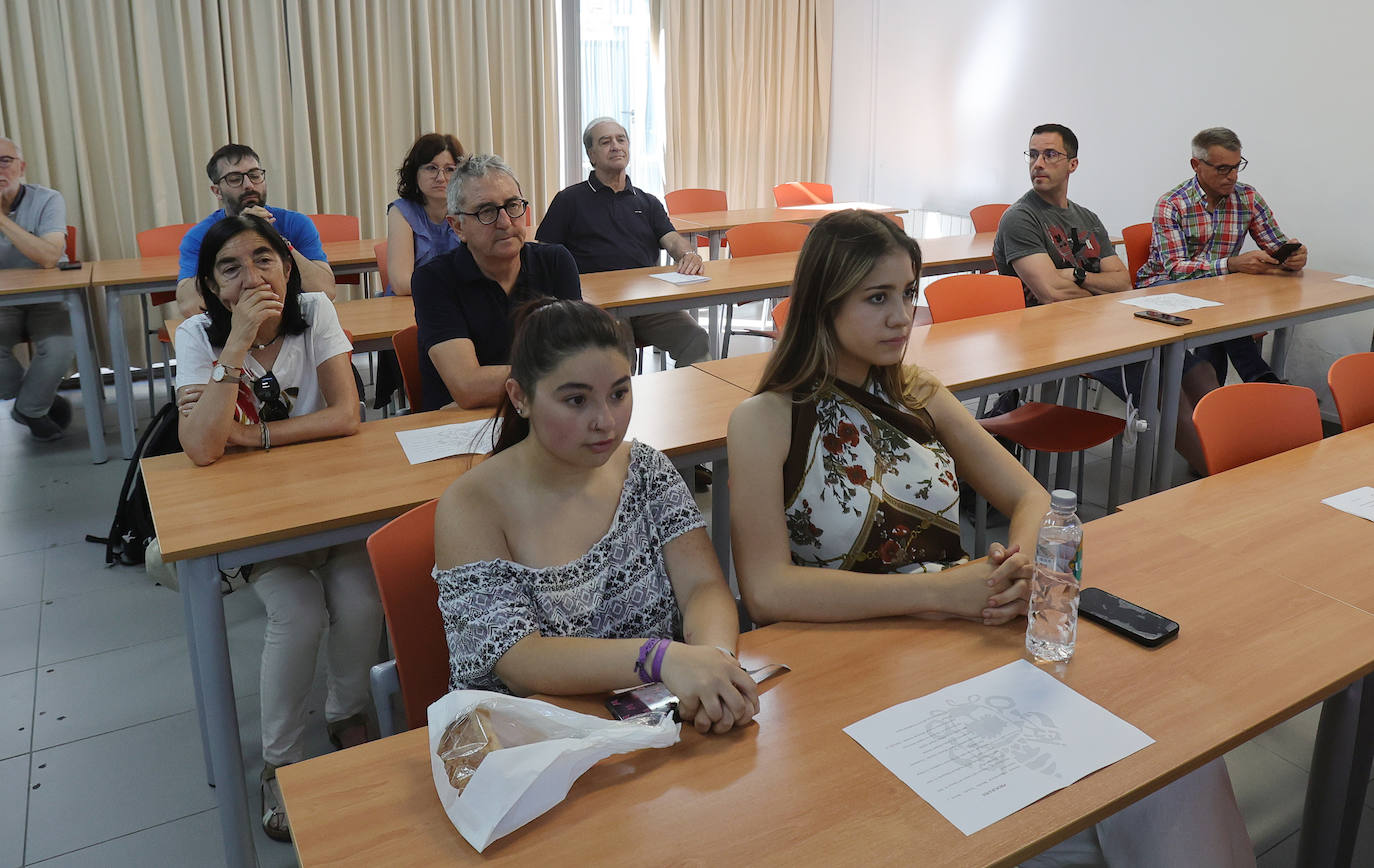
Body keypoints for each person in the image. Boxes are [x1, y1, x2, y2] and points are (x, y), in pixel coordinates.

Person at [728, 209, 1254, 866]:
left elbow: (1028, 497)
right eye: (876, 298)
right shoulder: (766, 419)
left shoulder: (918, 393)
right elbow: (769, 590)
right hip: (854, 654)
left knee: (1173, 754)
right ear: (821, 304)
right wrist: (944, 594)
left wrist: (1014, 563)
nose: (902, 317)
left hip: (960, 632)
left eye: (907, 294)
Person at [433, 298, 757, 734]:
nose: (605, 421)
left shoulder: (646, 470)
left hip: (653, 726)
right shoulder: (470, 506)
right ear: (520, 397)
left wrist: (714, 666)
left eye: (619, 394)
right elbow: (519, 660)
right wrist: (662, 658)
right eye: (576, 400)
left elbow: (702, 587)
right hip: (529, 742)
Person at [174, 214, 381, 843]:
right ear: (210, 286)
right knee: (297, 612)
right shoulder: (196, 335)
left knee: (361, 596)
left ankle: (347, 712)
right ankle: (281, 760)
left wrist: (258, 436)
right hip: (260, 524)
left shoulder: (314, 310)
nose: (251, 277)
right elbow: (203, 448)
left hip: (331, 503)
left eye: (264, 260)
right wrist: (234, 346)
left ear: (287, 269)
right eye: (229, 268)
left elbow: (347, 416)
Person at [993, 123, 1218, 475]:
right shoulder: (1020, 218)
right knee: (1158, 382)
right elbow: (1050, 293)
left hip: (1099, 326)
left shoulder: (1087, 218)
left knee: (1198, 370)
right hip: (1048, 336)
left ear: (1073, 164)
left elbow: (1124, 282)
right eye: (1033, 154)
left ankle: (1228, 457)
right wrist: (1094, 284)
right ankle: (1218, 474)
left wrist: (1078, 276)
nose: (1038, 163)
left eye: (1050, 154)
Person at [1136, 127, 1307, 385]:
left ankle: (1214, 396)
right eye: (1223, 169)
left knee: (1219, 309)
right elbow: (1175, 269)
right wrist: (1231, 264)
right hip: (1161, 287)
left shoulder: (1247, 197)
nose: (1232, 176)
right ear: (1196, 165)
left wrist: (1293, 257)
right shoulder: (1172, 203)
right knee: (1221, 310)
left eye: (1237, 167)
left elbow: (1276, 245)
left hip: (1218, 290)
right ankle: (1259, 379)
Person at [536, 117, 710, 367]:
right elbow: (545, 253)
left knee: (695, 338)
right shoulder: (569, 200)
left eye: (621, 139)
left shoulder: (647, 201)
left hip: (646, 300)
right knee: (620, 353)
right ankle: (626, 406)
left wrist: (687, 254)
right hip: (597, 304)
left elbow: (671, 238)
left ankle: (696, 405)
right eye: (606, 142)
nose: (616, 146)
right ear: (592, 155)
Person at [411, 154, 581, 411]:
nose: (505, 222)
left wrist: (570, 374)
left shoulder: (556, 262)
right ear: (457, 226)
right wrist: (561, 376)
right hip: (460, 424)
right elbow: (469, 388)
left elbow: (581, 359)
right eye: (486, 211)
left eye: (513, 206)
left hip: (543, 414)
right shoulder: (433, 279)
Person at [175, 143, 335, 318]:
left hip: (292, 320)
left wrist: (272, 236)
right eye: (235, 179)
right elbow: (188, 306)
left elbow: (326, 291)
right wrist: (235, 234)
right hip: (231, 323)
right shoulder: (199, 236)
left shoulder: (295, 223)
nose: (249, 185)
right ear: (217, 191)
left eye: (255, 175)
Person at [0, 135, 75, 441]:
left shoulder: (47, 199)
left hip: (49, 295)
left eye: (5, 161)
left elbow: (48, 257)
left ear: (22, 167)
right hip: (4, 302)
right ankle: (36, 401)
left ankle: (28, 409)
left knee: (60, 347)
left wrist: (2, 220)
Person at [385, 132, 466, 296]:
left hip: (460, 302)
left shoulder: (468, 210)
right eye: (431, 168)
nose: (441, 178)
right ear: (415, 172)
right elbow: (401, 283)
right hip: (410, 303)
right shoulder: (401, 212)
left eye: (450, 169)